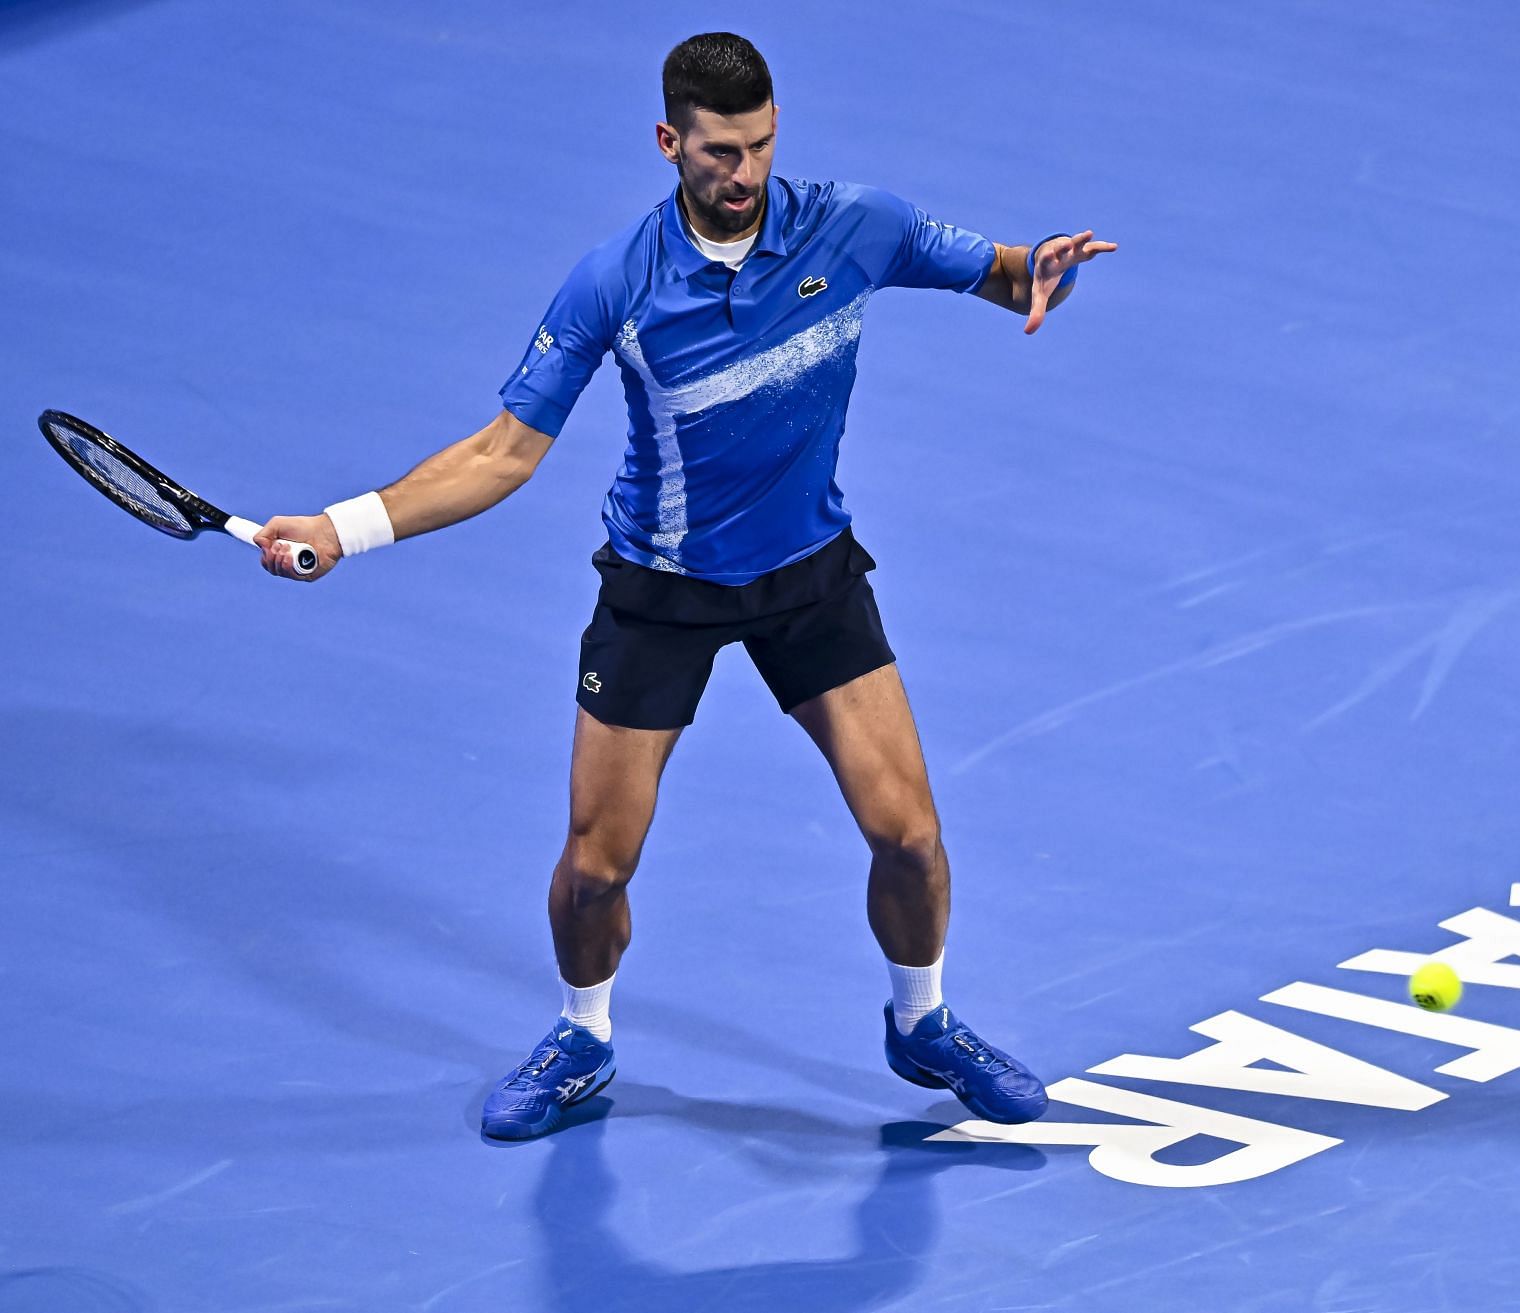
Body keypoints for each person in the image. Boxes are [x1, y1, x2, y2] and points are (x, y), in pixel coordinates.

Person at [254, 31, 1116, 1140]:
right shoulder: (617, 282)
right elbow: (501, 453)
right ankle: (582, 1035)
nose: (744, 173)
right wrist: (346, 526)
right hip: (662, 589)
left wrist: (1043, 269)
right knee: (596, 866)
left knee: (909, 834)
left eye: (759, 146)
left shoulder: (855, 225)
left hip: (809, 574)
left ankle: (923, 1021)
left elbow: (1005, 275)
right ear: (670, 142)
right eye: (718, 152)